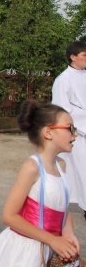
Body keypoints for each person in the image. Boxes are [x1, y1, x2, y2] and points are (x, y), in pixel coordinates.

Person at [0, 100, 81, 267]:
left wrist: (68, 233)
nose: (75, 134)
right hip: (26, 252)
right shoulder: (32, 167)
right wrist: (52, 240)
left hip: (52, 250)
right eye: (69, 128)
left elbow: (63, 209)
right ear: (48, 132)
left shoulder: (61, 166)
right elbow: (9, 216)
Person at [52, 40, 86, 220]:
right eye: (84, 55)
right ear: (73, 57)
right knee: (82, 176)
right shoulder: (63, 80)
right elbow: (62, 109)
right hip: (78, 136)